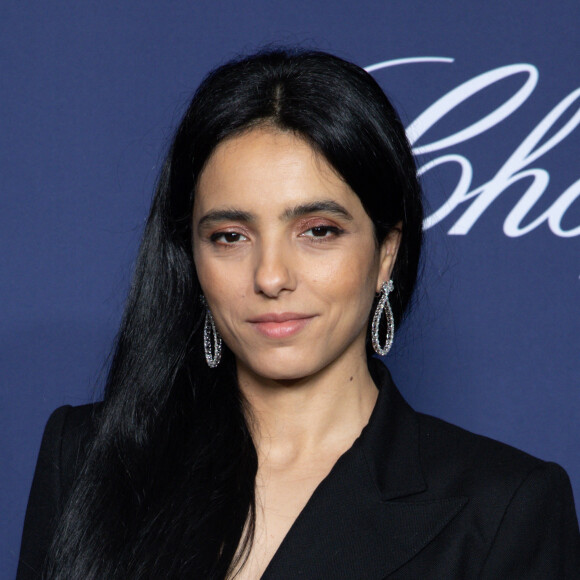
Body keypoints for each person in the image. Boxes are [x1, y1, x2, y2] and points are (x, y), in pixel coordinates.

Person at [17, 48, 580, 580]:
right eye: (231, 236)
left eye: (318, 232)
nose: (270, 276)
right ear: (192, 255)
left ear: (386, 252)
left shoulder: (504, 506)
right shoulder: (86, 455)